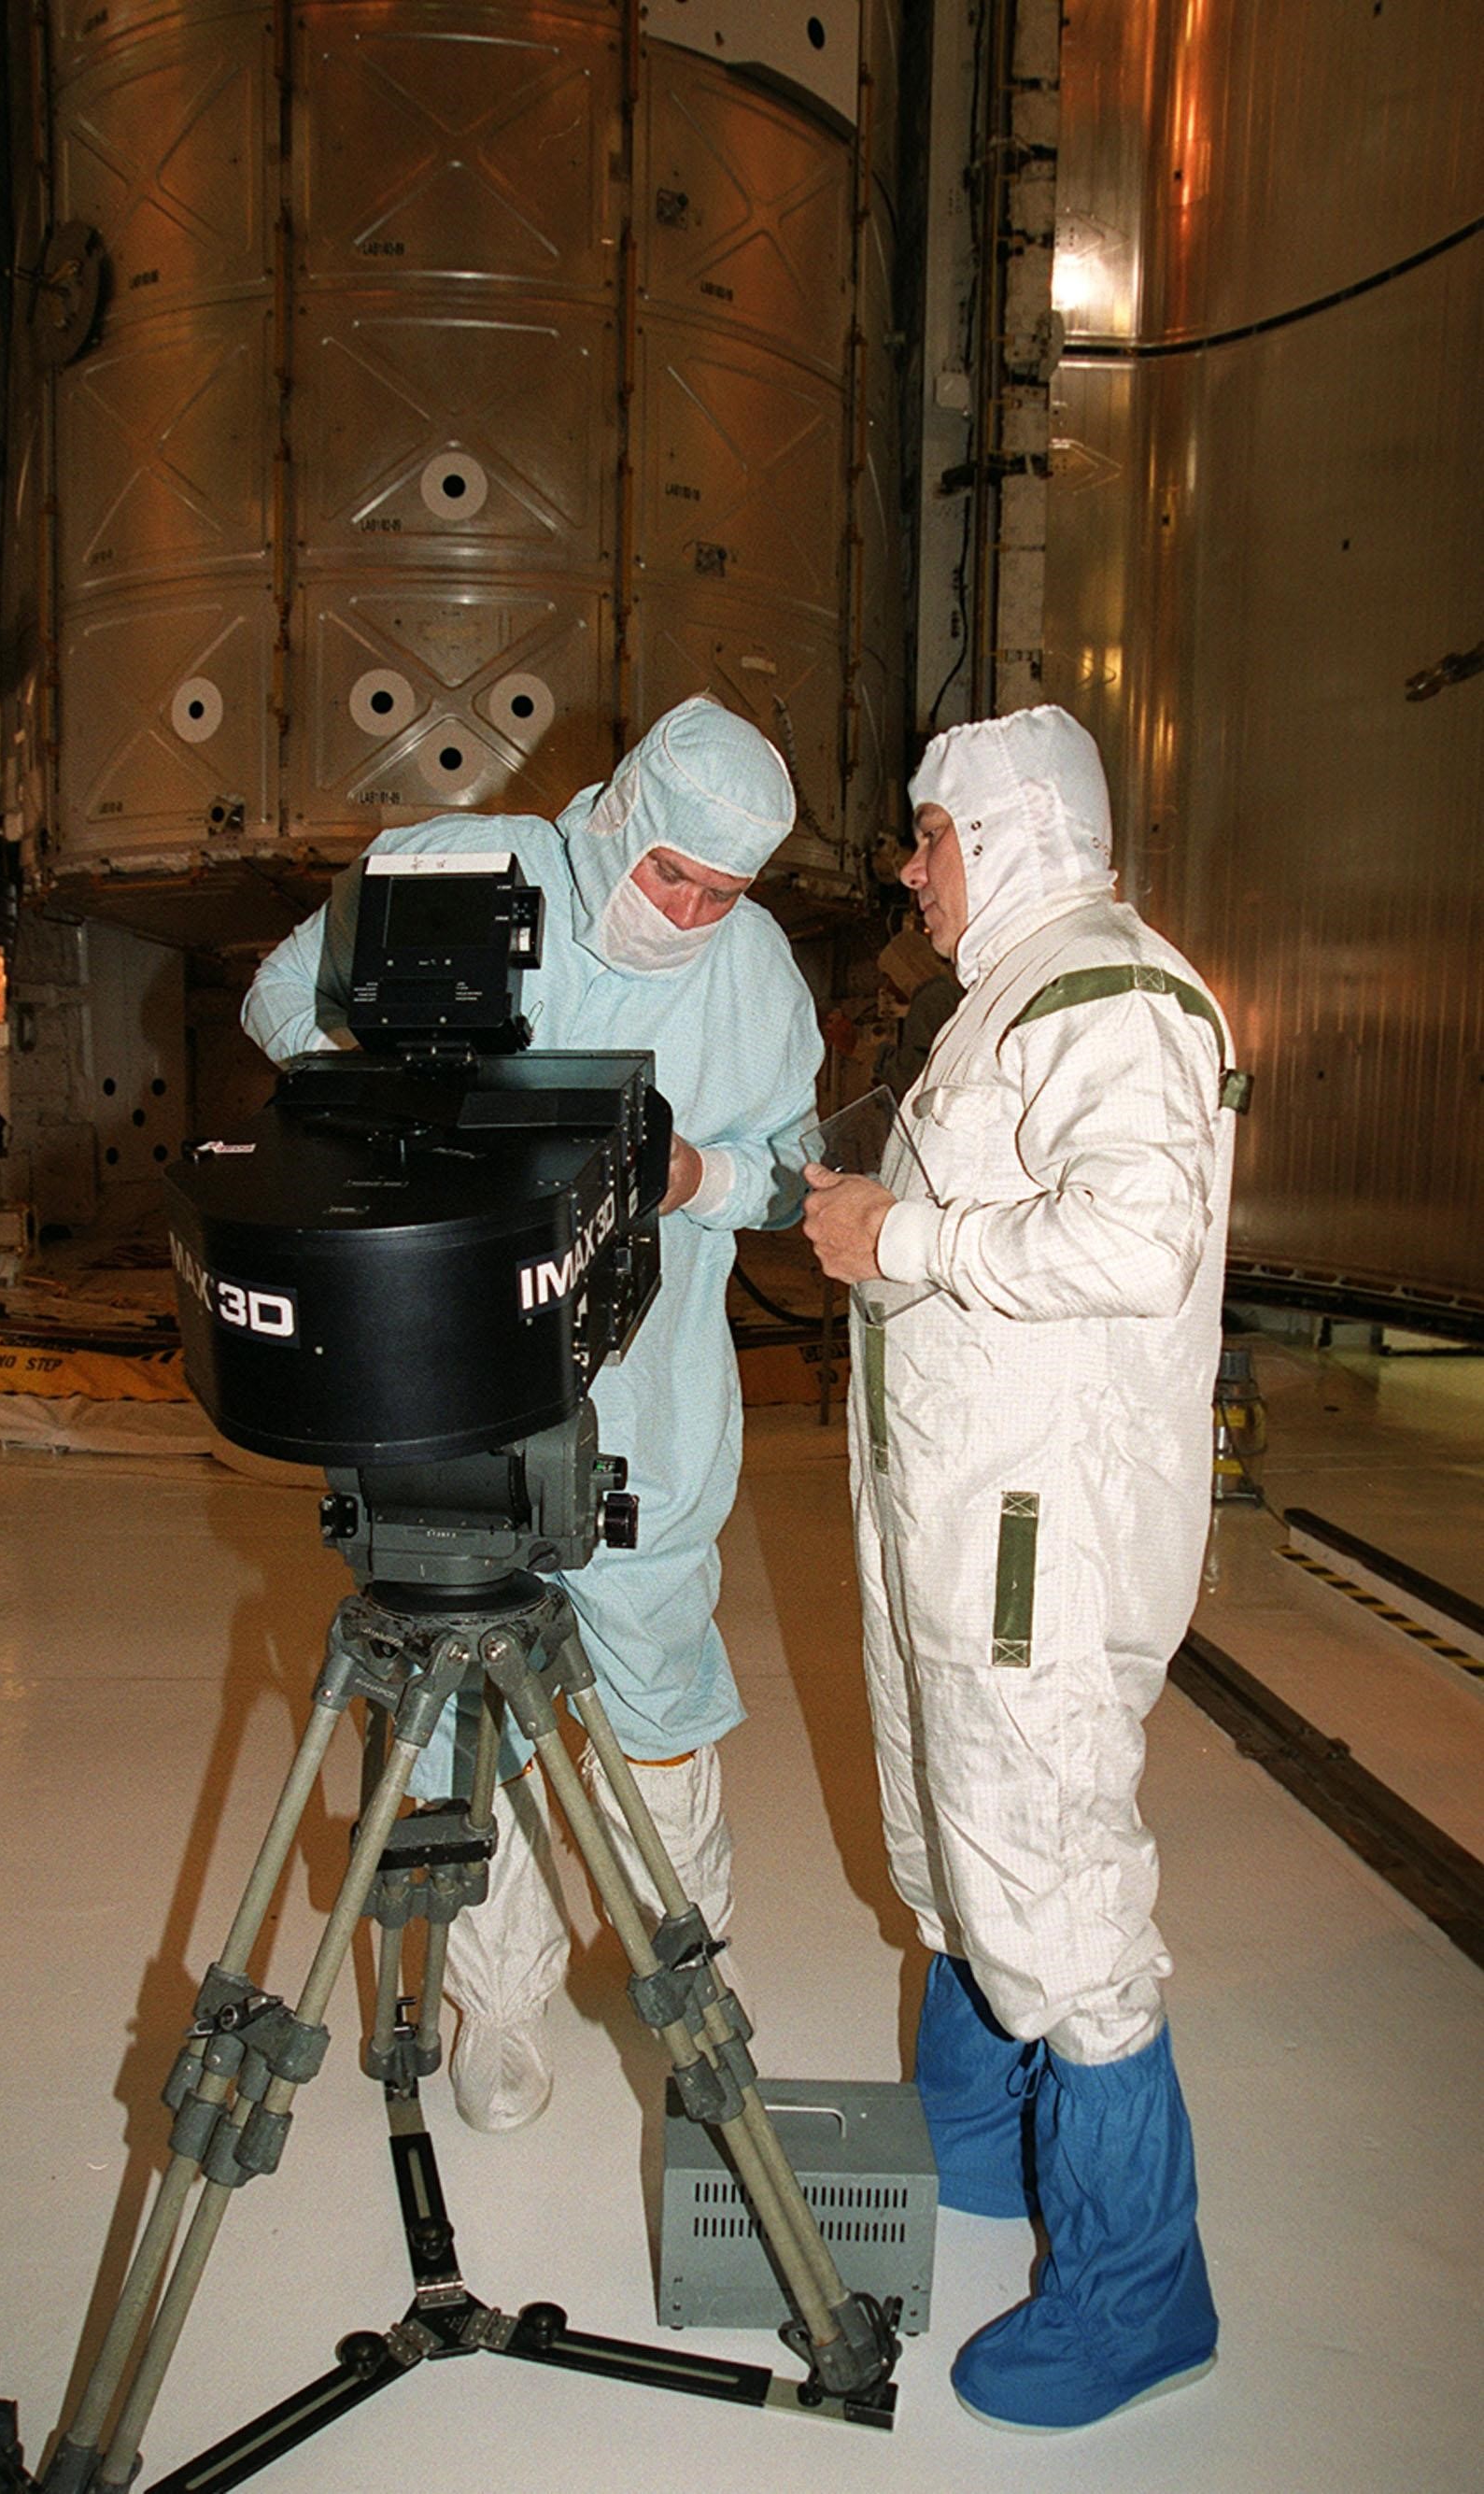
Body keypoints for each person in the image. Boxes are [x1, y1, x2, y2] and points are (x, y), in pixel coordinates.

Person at [245, 695, 822, 2132]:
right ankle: (494, 2006)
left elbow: (795, 1175)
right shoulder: (454, 868)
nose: (687, 914)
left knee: (653, 1696)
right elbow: (280, 990)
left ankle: (694, 1985)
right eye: (671, 874)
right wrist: (360, 1086)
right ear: (619, 820)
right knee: (459, 1713)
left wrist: (699, 1178)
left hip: (646, 1411)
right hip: (444, 1397)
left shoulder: (752, 972)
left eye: (720, 892)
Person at [801, 704, 1243, 2432]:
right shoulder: (1009, 993)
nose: (909, 869)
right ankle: (980, 2144)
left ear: (1015, 833)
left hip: (1033, 1551)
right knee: (956, 1841)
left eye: (931, 835)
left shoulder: (1107, 993)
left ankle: (1140, 2295)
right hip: (964, 1517)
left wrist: (900, 1231)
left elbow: (1136, 1235)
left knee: (1052, 1883)